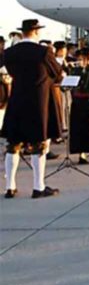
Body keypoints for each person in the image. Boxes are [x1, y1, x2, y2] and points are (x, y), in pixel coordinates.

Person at [1, 19, 63, 199]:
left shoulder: (10, 52)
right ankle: (38, 187)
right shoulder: (43, 51)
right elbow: (57, 74)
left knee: (13, 144)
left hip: (17, 99)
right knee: (39, 144)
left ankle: (10, 187)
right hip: (39, 101)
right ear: (36, 32)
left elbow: (8, 71)